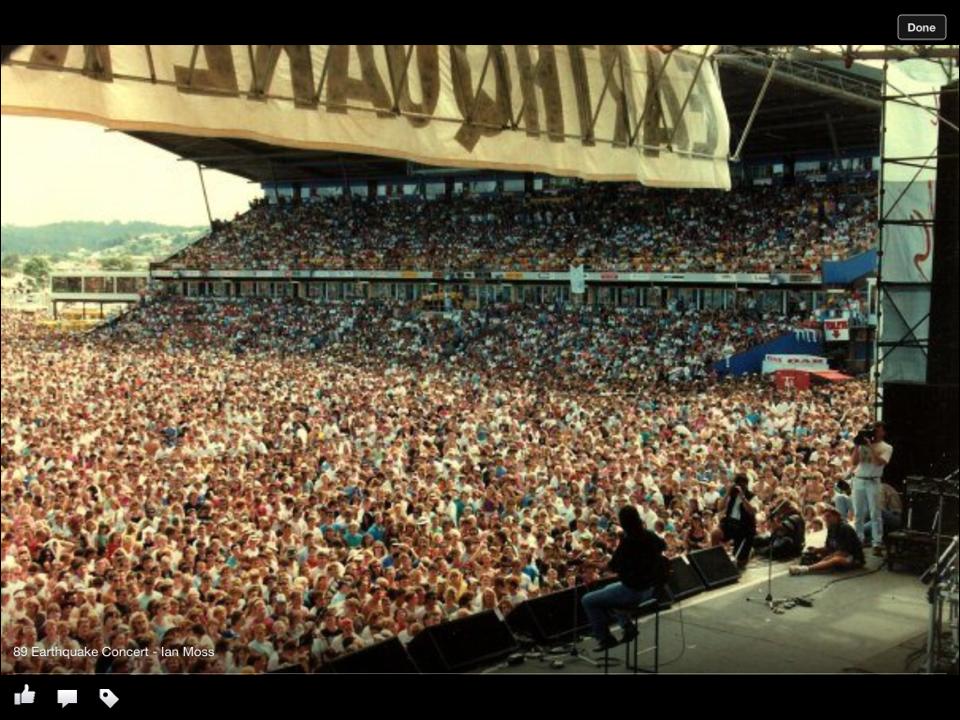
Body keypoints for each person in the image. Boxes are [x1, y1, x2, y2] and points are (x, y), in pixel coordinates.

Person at [580, 506, 666, 651]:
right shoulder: (649, 535)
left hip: (634, 591)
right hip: (651, 588)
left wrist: (590, 563)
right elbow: (663, 546)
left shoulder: (628, 542)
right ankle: (627, 627)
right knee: (608, 589)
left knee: (588, 600)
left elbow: (610, 567)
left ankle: (605, 638)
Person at [850, 421, 893, 556]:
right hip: (859, 479)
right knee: (858, 513)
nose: (874, 432)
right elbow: (854, 462)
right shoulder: (863, 444)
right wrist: (857, 446)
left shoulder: (886, 447)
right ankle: (859, 539)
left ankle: (877, 543)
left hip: (873, 481)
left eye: (877, 430)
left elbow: (879, 462)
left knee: (875, 513)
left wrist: (870, 446)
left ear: (883, 432)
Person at [789, 505, 864, 575]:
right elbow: (829, 548)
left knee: (836, 559)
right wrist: (817, 550)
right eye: (825, 517)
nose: (827, 520)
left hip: (853, 558)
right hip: (839, 554)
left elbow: (844, 552)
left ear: (836, 516)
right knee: (817, 556)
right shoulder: (831, 529)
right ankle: (817, 565)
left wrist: (828, 558)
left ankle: (806, 569)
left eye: (829, 517)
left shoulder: (845, 528)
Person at [718, 475, 757, 570]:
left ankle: (749, 552)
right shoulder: (732, 495)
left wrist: (743, 497)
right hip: (730, 524)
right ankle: (716, 557)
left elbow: (752, 511)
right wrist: (727, 493)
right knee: (715, 533)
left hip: (744, 528)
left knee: (740, 563)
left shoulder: (751, 496)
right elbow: (720, 507)